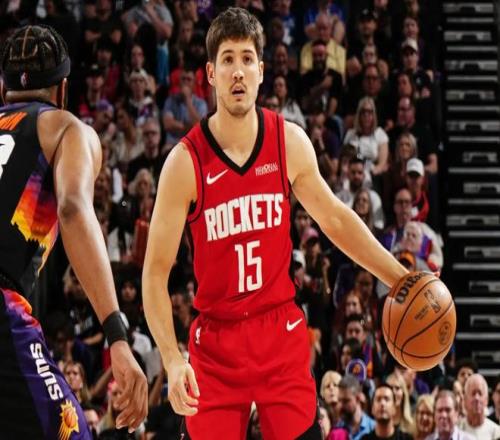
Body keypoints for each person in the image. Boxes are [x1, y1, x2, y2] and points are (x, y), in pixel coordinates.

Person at [142, 7, 408, 439]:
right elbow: (155, 273)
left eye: (247, 59)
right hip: (216, 341)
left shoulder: (289, 141)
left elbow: (335, 219)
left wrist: (399, 278)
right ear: (210, 74)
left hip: (278, 331)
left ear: (262, 71)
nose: (238, 71)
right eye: (227, 59)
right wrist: (172, 359)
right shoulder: (184, 163)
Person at [0, 24, 147, 437]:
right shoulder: (66, 128)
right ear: (63, 90)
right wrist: (117, 336)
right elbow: (72, 208)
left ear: (4, 90)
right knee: (72, 430)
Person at [459, 374, 500, 439]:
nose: (477, 398)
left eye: (480, 393)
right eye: (473, 393)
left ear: (486, 400)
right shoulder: (455, 429)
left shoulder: (496, 432)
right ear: (465, 400)